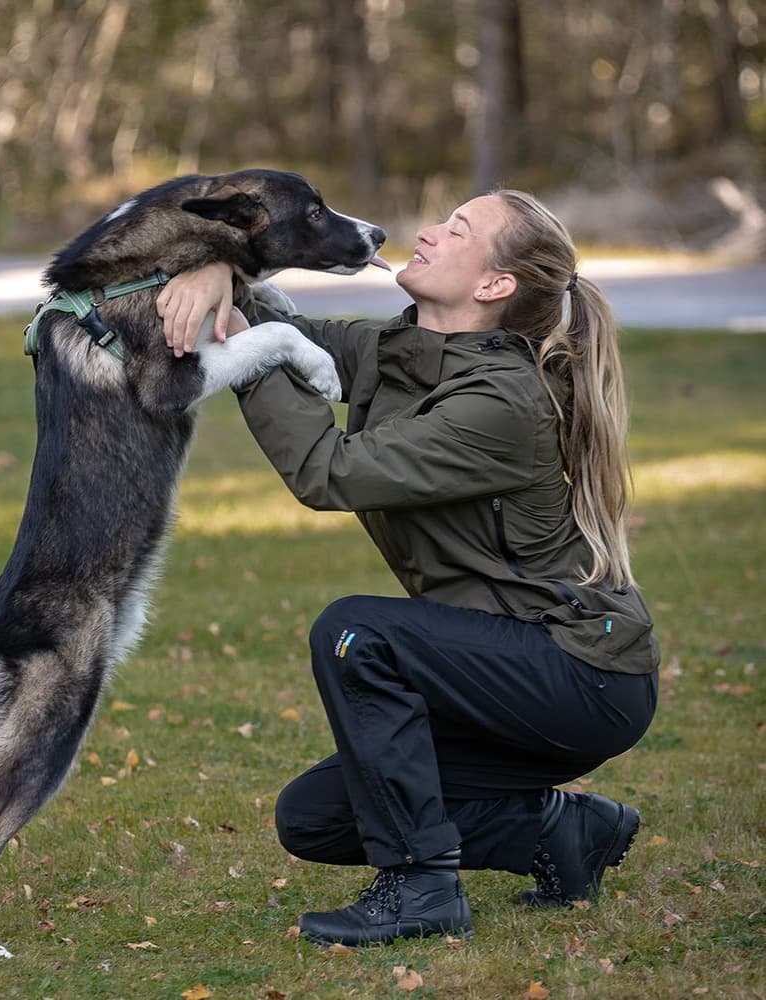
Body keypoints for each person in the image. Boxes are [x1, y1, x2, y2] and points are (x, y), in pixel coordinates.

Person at [156, 190, 659, 946]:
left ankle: (421, 891)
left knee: (359, 632)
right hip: (498, 665)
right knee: (316, 818)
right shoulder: (407, 350)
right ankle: (557, 832)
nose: (427, 231)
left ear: (494, 286)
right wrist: (218, 270)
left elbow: (329, 471)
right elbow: (281, 328)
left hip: (581, 674)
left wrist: (248, 349)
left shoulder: (501, 401)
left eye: (457, 230)